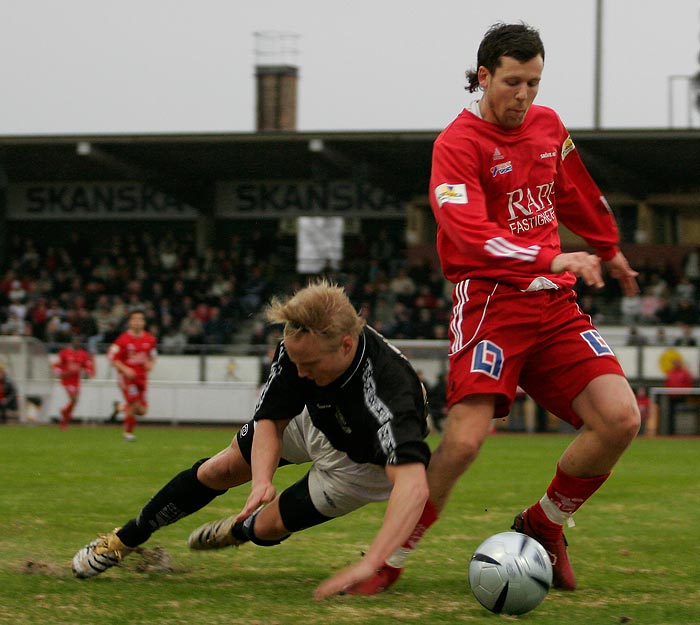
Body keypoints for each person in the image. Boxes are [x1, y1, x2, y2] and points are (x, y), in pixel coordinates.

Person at [359, 22, 641, 594]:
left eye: (534, 83)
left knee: (620, 420)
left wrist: (608, 249)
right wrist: (551, 257)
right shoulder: (456, 145)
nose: (525, 96)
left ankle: (543, 526)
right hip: (492, 303)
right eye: (513, 82)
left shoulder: (548, 125)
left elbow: (576, 192)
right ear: (483, 76)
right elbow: (466, 232)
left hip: (554, 306)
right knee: (463, 443)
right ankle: (391, 557)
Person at [71, 280, 434, 600]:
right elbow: (270, 420)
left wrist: (372, 562)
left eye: (308, 365)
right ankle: (125, 539)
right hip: (314, 418)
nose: (300, 372)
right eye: (295, 362)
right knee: (221, 468)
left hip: (358, 465)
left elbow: (413, 486)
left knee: (267, 526)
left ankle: (239, 530)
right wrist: (262, 480)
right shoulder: (301, 349)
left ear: (345, 345)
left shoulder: (391, 394)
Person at [107, 308, 157, 441]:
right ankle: (128, 433)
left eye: (140, 319)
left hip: (142, 378)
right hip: (127, 378)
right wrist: (125, 369)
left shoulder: (149, 339)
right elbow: (112, 357)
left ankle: (120, 407)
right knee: (134, 404)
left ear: (144, 322)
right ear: (130, 322)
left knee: (142, 411)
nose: (137, 322)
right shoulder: (122, 340)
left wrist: (150, 365)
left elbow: (153, 356)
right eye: (134, 319)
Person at [52, 334, 95, 429]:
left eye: (78, 341)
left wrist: (88, 372)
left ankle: (64, 420)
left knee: (74, 402)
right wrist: (59, 372)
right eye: (75, 341)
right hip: (67, 379)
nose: (77, 343)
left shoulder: (83, 354)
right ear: (72, 342)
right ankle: (64, 415)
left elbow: (87, 366)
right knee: (74, 399)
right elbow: (57, 364)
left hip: (76, 380)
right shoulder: (65, 353)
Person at [664, 356, 694, 435]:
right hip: (672, 396)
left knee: (682, 414)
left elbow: (689, 383)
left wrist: (686, 393)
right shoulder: (670, 372)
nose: (676, 364)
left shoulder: (685, 373)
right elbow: (667, 383)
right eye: (674, 362)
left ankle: (683, 432)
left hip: (682, 396)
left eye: (677, 362)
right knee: (671, 414)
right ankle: (671, 432)